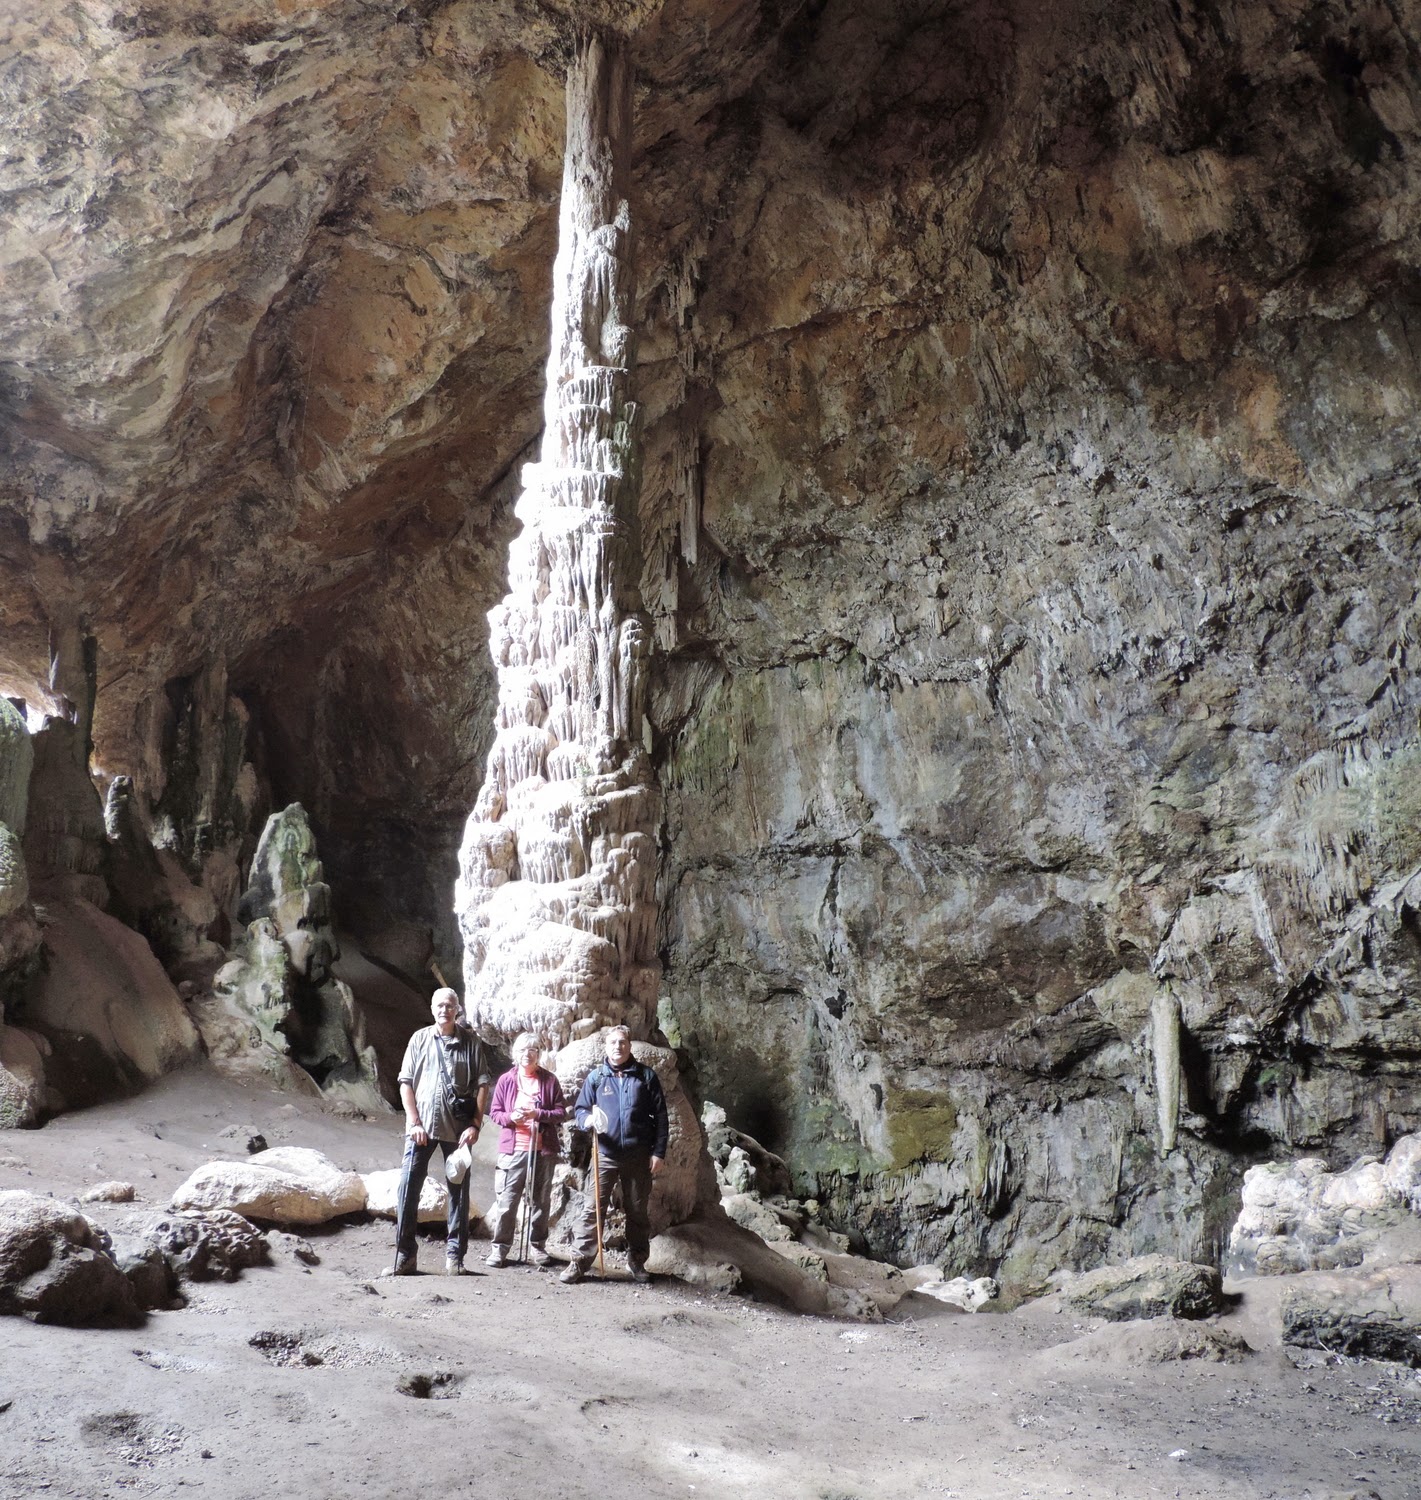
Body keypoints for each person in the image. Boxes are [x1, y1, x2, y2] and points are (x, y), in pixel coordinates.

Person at [391, 987, 491, 1275]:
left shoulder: (471, 1043)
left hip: (458, 1130)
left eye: (449, 1005)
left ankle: (455, 1257)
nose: (444, 1010)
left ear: (457, 1009)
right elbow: (406, 1082)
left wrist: (474, 1124)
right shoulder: (419, 1039)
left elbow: (483, 1084)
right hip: (422, 1128)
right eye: (438, 1005)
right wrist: (414, 1122)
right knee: (408, 1188)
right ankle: (405, 1255)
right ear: (432, 1009)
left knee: (458, 1192)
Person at [561, 1025, 668, 1285]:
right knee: (592, 1209)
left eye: (622, 1042)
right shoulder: (597, 1078)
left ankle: (637, 1261)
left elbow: (662, 1117)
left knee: (637, 1211)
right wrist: (588, 1120)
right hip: (605, 1154)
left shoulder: (645, 1077)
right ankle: (579, 1261)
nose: (617, 1047)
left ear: (629, 1046)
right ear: (605, 1047)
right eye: (612, 1043)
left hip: (638, 1154)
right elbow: (581, 1109)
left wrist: (658, 1152)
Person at [485, 1032, 567, 1268]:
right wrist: (512, 1117)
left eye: (532, 1050)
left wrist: (537, 1114)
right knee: (508, 1201)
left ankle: (537, 1247)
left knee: (540, 1201)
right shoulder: (506, 1081)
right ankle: (500, 1248)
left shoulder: (549, 1081)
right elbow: (496, 1113)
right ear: (515, 1054)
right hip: (514, 1149)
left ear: (538, 1054)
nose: (527, 1054)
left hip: (542, 1150)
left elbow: (561, 1112)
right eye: (522, 1050)